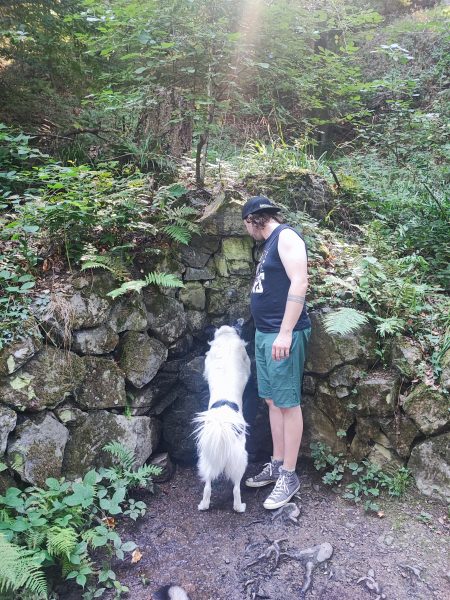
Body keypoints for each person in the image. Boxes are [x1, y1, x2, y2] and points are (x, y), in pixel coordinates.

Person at [242, 195, 311, 510]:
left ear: (252, 220)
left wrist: (285, 332)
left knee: (287, 403)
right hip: (265, 334)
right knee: (272, 401)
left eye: (246, 226)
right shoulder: (270, 244)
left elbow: (300, 282)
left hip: (284, 335)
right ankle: (277, 463)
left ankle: (289, 476)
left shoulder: (286, 237)